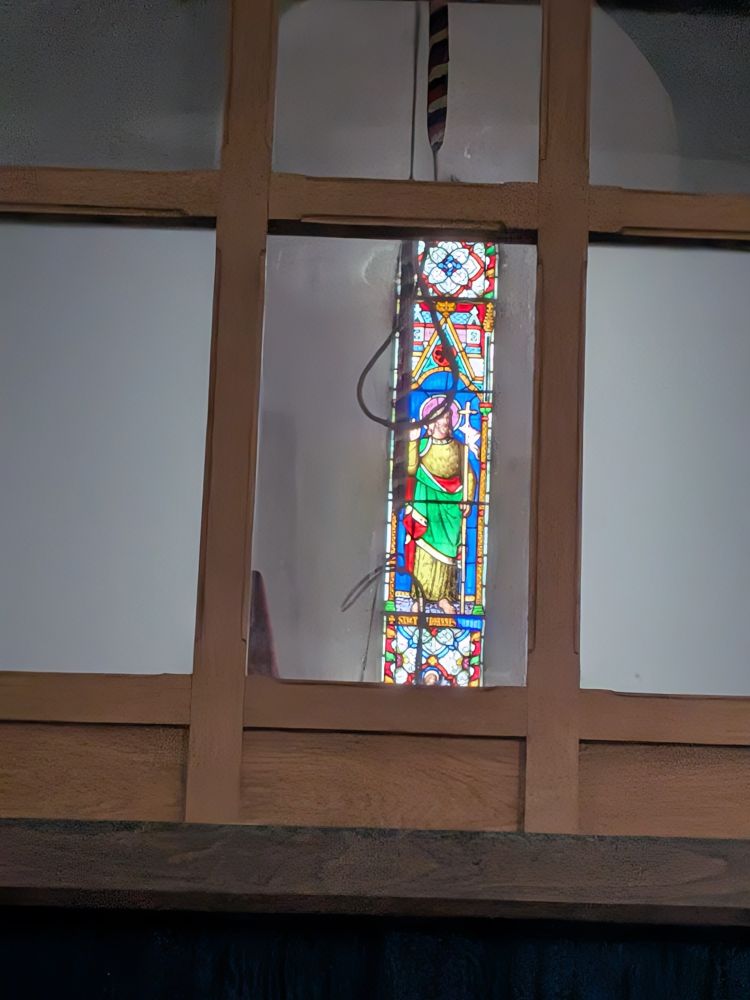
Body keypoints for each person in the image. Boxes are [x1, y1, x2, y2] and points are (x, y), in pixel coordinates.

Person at [403, 400, 475, 614]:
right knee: (424, 551)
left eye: (447, 420)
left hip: (451, 507)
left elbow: (469, 475)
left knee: (448, 553)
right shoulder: (423, 444)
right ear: (430, 424)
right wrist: (413, 442)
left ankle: (445, 598)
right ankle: (419, 596)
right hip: (427, 504)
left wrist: (468, 498)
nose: (445, 424)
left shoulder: (459, 448)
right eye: (440, 420)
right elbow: (410, 468)